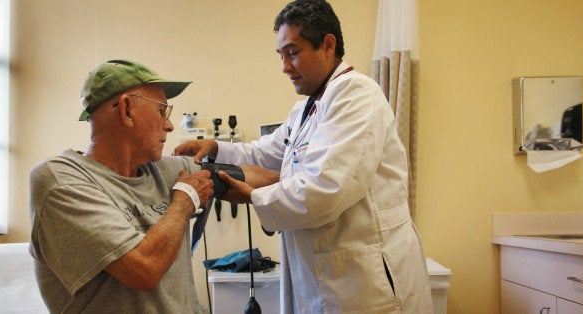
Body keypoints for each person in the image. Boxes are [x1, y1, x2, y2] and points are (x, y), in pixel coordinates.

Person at [173, 1, 434, 313]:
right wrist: (215, 148)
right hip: (326, 278)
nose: (284, 66)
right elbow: (263, 152)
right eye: (281, 56)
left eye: (292, 52)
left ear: (327, 44)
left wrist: (254, 197)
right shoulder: (306, 110)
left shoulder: (357, 96)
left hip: (368, 284)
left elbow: (326, 189)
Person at [28, 59, 277, 313]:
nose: (169, 125)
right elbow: (143, 269)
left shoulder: (166, 169)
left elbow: (251, 177)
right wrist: (184, 199)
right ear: (126, 110)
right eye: (162, 112)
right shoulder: (62, 181)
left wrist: (304, 181)